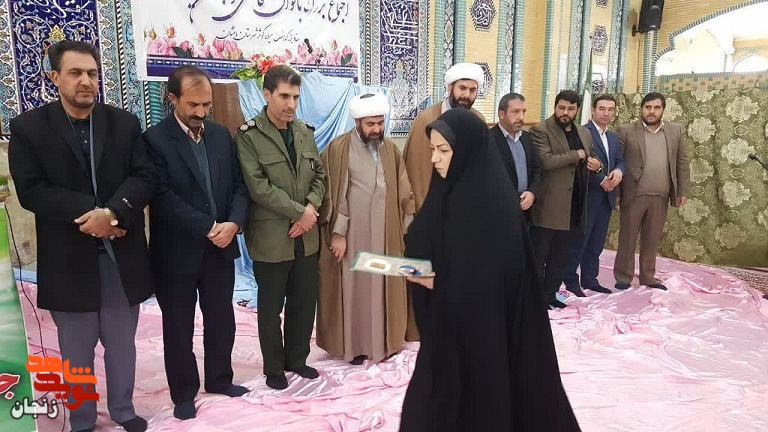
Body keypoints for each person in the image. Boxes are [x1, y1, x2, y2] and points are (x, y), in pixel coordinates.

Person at [399, 109, 580, 431]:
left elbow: (491, 277)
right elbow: (426, 244)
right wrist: (417, 270)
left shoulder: (494, 206)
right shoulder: (445, 192)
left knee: (477, 403)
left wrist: (440, 281)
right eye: (432, 150)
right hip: (447, 332)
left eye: (444, 150)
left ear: (467, 149)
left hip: (484, 337)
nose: (435, 159)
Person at [8, 40, 154, 432]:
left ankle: (123, 410)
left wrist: (113, 213)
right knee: (76, 351)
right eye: (75, 73)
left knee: (121, 343)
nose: (86, 81)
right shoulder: (29, 128)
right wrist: (92, 212)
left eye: (92, 73)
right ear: (55, 77)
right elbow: (32, 190)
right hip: (68, 259)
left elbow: (144, 176)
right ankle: (83, 419)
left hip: (120, 256)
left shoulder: (123, 123)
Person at [143, 66, 250, 419]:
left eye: (207, 105)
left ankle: (219, 379)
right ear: (172, 99)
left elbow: (239, 185)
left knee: (221, 319)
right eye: (193, 105)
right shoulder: (154, 140)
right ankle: (184, 392)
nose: (201, 112)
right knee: (178, 326)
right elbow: (161, 197)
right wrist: (209, 226)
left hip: (220, 247)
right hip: (177, 252)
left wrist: (233, 223)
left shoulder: (220, 135)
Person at [234, 65, 326, 390]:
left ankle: (297, 359)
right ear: (267, 94)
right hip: (272, 237)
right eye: (284, 96)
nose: (291, 104)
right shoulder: (248, 136)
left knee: (304, 301)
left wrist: (311, 208)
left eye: (296, 97)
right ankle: (274, 367)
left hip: (306, 237)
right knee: (271, 306)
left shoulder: (304, 131)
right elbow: (258, 187)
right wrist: (300, 213)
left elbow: (320, 176)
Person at [316, 92, 415, 365]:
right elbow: (334, 195)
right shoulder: (338, 149)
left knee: (384, 283)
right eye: (370, 124)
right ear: (357, 122)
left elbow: (404, 190)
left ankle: (384, 342)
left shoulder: (390, 149)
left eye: (380, 123)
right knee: (356, 289)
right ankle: (355, 346)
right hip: (353, 234)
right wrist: (338, 234)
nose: (377, 129)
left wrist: (408, 228)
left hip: (386, 233)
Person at [402, 62, 485, 339]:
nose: (466, 95)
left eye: (472, 90)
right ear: (449, 87)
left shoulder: (477, 121)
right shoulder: (426, 119)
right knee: (425, 273)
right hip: (430, 212)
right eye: (462, 88)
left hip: (465, 215)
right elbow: (415, 170)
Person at [529, 90, 603, 308]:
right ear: (555, 106)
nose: (565, 112)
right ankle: (534, 299)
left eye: (570, 109)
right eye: (561, 107)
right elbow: (545, 161)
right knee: (539, 256)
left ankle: (550, 295)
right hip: (548, 206)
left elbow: (592, 156)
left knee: (561, 257)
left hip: (575, 205)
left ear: (577, 110)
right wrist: (576, 155)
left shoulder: (584, 132)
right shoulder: (540, 130)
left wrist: (597, 165)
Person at [614, 92, 690, 291]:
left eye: (656, 108)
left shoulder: (675, 131)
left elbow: (682, 162)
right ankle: (623, 277)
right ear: (641, 109)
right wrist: (616, 193)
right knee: (627, 237)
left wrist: (683, 190)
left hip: (661, 195)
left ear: (663, 110)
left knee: (652, 239)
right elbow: (617, 162)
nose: (652, 112)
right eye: (648, 107)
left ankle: (648, 277)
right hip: (633, 194)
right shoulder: (626, 131)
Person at [563, 94, 625, 296]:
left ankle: (590, 279)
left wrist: (619, 171)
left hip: (606, 198)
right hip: (587, 197)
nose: (606, 113)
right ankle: (571, 281)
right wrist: (602, 179)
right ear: (593, 110)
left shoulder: (613, 137)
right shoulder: (583, 133)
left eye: (610, 109)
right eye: (602, 109)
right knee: (578, 242)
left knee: (596, 243)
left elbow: (619, 160)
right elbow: (583, 164)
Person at [490, 92, 541, 216]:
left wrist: (532, 193)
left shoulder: (527, 138)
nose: (521, 117)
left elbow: (537, 170)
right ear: (502, 114)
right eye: (515, 112)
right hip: (499, 209)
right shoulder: (489, 139)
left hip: (526, 208)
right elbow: (491, 177)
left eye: (523, 111)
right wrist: (517, 197)